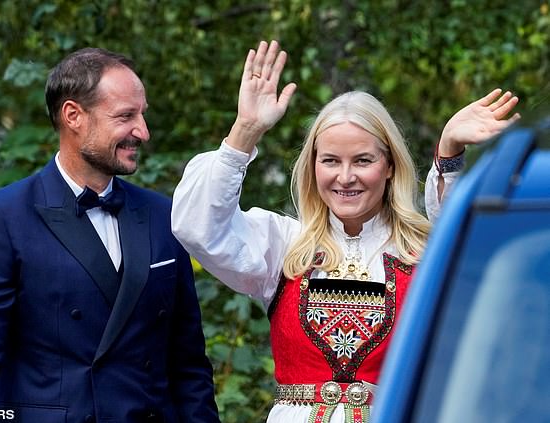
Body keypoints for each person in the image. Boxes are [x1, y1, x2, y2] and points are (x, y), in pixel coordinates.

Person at [170, 40, 519, 423]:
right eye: (331, 161)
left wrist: (449, 152)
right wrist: (245, 131)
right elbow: (198, 227)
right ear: (313, 166)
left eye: (363, 160)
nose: (346, 177)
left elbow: (474, 247)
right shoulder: (287, 245)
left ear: (389, 166)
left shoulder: (424, 252)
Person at [0, 47, 220, 423]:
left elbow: (189, 365)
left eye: (142, 115)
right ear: (73, 116)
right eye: (125, 116)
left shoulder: (162, 214)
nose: (143, 131)